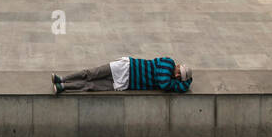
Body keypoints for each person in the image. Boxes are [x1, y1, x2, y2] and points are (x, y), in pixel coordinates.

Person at [53, 56, 192, 93]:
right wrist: (178, 83)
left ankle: (63, 87)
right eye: (180, 72)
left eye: (181, 77)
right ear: (178, 66)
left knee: (91, 86)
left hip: (125, 83)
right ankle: (62, 78)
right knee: (91, 73)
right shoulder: (168, 62)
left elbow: (171, 85)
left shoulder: (171, 78)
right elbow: (164, 83)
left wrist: (187, 81)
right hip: (125, 68)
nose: (178, 76)